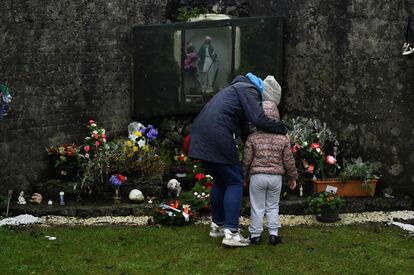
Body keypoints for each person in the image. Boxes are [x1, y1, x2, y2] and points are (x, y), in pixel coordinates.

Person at [189, 73, 288, 247]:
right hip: (217, 134)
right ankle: (232, 233)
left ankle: (218, 225)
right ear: (266, 97)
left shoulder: (237, 89)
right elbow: (258, 119)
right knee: (235, 180)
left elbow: (244, 128)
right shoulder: (249, 90)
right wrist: (281, 129)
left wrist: (255, 144)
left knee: (221, 180)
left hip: (200, 135)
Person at [243, 76, 298, 245]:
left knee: (257, 206)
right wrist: (293, 177)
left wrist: (244, 175)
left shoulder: (252, 138)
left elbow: (246, 159)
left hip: (258, 176)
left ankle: (255, 236)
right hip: (275, 178)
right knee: (273, 206)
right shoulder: (283, 138)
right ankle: (273, 234)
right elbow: (288, 160)